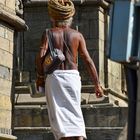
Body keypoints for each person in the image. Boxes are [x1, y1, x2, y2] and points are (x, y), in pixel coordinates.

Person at [35, 0, 104, 139]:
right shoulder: (77, 35)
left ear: (53, 17)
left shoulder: (48, 33)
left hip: (54, 79)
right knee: (75, 114)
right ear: (69, 18)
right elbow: (88, 60)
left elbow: (40, 56)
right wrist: (97, 84)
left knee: (60, 119)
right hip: (72, 78)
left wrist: (40, 77)